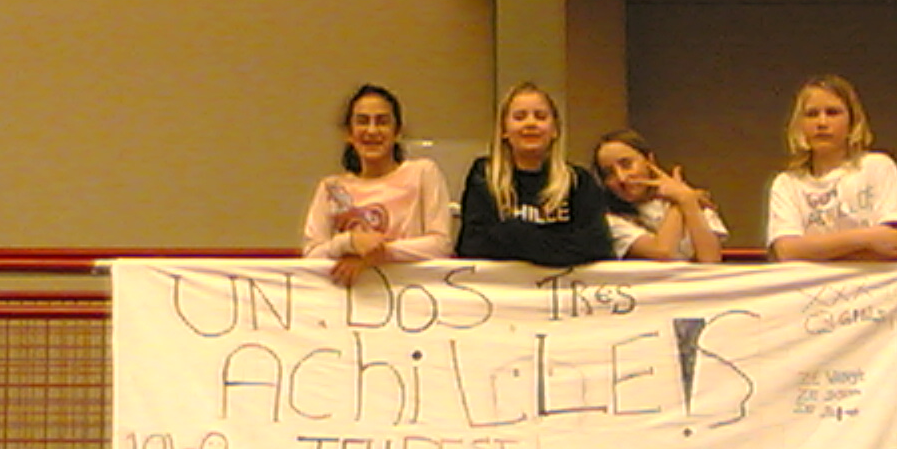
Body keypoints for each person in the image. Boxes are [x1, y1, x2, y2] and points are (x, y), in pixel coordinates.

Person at [303, 84, 453, 285]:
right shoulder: (331, 188)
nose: (372, 131)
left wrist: (378, 253)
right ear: (349, 133)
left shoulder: (423, 173)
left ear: (397, 132)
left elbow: (440, 245)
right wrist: (349, 243)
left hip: (409, 295)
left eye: (382, 122)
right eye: (362, 122)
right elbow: (312, 255)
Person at [456, 82, 613, 266]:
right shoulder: (484, 175)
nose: (530, 123)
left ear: (555, 130)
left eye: (540, 116)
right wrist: (557, 242)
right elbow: (472, 246)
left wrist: (512, 232)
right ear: (504, 131)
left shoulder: (578, 181)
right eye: (519, 117)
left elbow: (597, 247)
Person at [766, 74, 897, 262]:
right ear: (800, 124)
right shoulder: (787, 184)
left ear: (852, 122)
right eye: (812, 114)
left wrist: (815, 250)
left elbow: (893, 244)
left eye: (833, 112)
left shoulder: (878, 167)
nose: (822, 123)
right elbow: (787, 251)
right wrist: (867, 238)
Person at [593, 129, 727, 262]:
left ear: (649, 161)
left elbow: (711, 260)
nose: (621, 178)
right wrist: (679, 201)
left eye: (627, 165)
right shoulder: (608, 221)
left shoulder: (691, 199)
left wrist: (687, 202)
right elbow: (663, 252)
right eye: (609, 173)